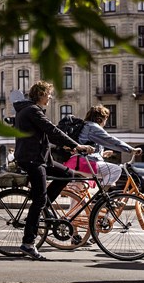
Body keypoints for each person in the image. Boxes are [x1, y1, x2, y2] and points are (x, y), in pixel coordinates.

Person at [13, 81, 94, 260]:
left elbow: (44, 136)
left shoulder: (29, 110)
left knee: (67, 174)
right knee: (39, 198)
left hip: (40, 158)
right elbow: (52, 130)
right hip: (32, 160)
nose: (50, 97)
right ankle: (28, 243)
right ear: (41, 94)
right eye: (49, 94)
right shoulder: (32, 110)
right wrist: (77, 145)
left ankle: (42, 208)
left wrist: (67, 148)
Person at [78, 105, 142, 189]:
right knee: (116, 170)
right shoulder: (93, 127)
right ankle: (101, 197)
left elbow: (87, 146)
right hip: (84, 163)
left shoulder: (85, 126)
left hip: (75, 162)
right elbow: (111, 140)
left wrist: (102, 154)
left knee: (77, 197)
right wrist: (131, 150)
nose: (105, 123)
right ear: (99, 119)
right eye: (105, 119)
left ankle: (90, 201)